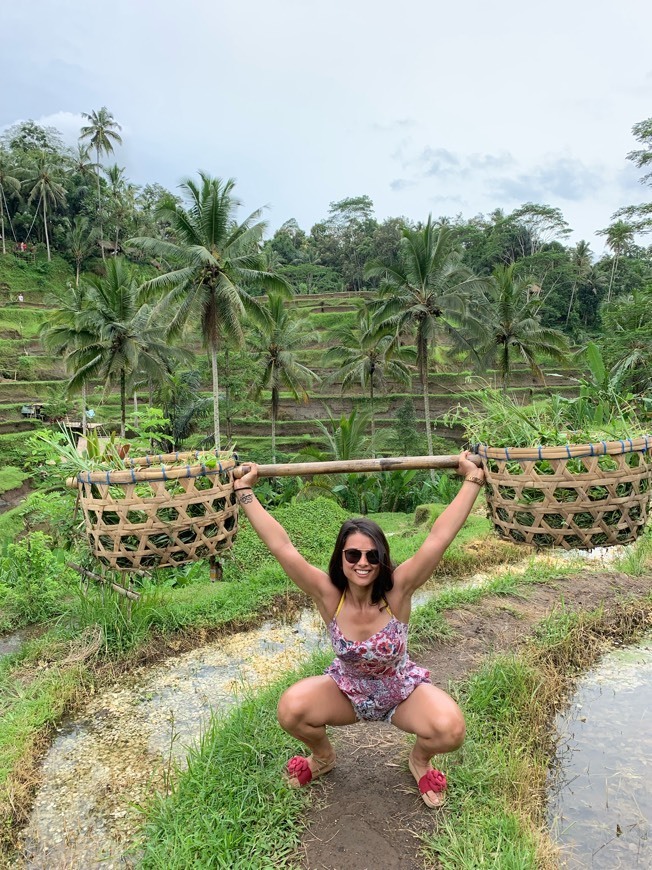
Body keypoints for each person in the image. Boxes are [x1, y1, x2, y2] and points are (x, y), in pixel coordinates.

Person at [234, 452, 485, 807]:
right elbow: (282, 547)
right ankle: (322, 757)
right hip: (347, 690)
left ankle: (419, 760)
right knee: (290, 710)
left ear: (382, 558)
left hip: (401, 690)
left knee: (451, 729)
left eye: (371, 555)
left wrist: (473, 478)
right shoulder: (328, 595)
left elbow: (438, 538)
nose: (363, 563)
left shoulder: (398, 590)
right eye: (353, 555)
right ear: (341, 558)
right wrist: (245, 492)